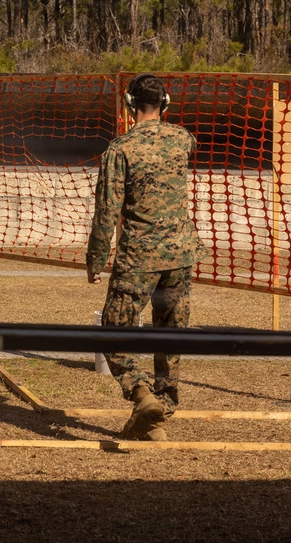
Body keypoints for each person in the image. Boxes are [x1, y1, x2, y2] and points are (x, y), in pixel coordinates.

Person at [86, 73, 202, 442]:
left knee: (113, 329)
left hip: (139, 256)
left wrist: (96, 257)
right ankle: (161, 412)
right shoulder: (182, 139)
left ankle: (140, 394)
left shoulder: (120, 150)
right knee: (171, 335)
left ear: (129, 104)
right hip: (181, 255)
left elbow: (108, 211)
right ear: (165, 103)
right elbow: (187, 145)